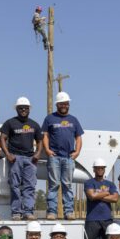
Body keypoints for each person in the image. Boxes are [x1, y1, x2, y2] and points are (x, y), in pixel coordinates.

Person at [0, 97, 43, 221]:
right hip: (15, 158)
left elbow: (39, 140)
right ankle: (16, 212)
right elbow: (2, 138)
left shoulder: (34, 124)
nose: (23, 110)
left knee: (30, 185)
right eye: (21, 108)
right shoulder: (10, 123)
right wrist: (7, 153)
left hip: (30, 159)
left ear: (29, 109)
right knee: (14, 185)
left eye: (25, 108)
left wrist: (38, 153)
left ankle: (28, 212)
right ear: (16, 109)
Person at [42, 92, 84, 220]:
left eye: (66, 103)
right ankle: (52, 212)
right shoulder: (49, 118)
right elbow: (45, 136)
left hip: (68, 157)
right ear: (57, 104)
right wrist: (48, 151)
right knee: (53, 185)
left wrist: (77, 152)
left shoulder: (74, 120)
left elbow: (78, 137)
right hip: (54, 157)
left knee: (67, 185)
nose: (64, 105)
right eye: (62, 103)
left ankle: (69, 211)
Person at [84, 158, 119, 239]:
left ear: (104, 170)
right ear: (94, 169)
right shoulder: (89, 182)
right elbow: (91, 196)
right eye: (97, 168)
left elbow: (116, 198)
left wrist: (98, 195)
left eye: (102, 168)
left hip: (107, 218)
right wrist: (107, 193)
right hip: (92, 219)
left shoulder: (110, 184)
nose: (100, 170)